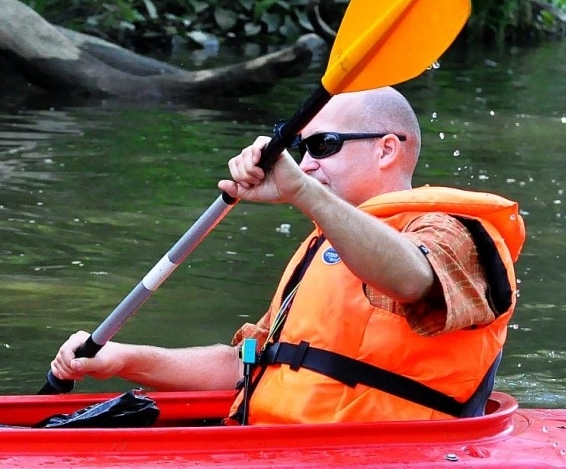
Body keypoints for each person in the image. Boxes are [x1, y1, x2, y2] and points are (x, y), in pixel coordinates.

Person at [48, 86, 525, 424]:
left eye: (323, 145)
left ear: (385, 151)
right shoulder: (325, 244)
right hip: (276, 446)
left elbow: (411, 278)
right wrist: (123, 360)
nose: (306, 163)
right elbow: (247, 366)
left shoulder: (452, 230)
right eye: (301, 148)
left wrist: (301, 192)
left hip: (381, 457)